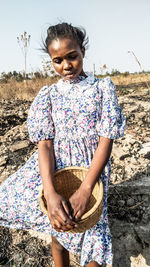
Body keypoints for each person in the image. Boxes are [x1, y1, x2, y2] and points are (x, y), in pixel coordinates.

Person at [0, 22, 126, 267]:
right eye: (58, 60)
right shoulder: (48, 96)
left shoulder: (102, 89)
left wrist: (86, 189)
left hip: (92, 174)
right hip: (57, 172)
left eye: (72, 57)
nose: (66, 65)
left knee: (94, 237)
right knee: (58, 235)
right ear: (51, 61)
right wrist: (50, 192)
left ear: (83, 52)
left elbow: (106, 140)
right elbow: (45, 145)